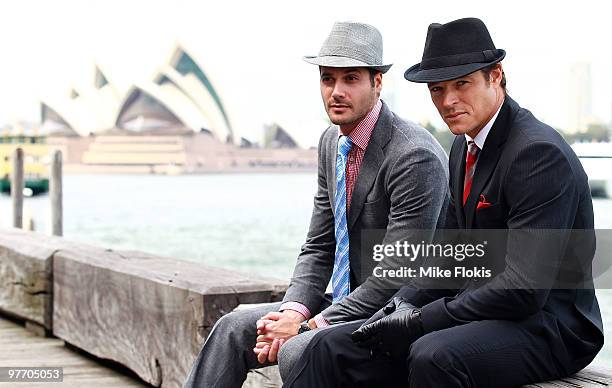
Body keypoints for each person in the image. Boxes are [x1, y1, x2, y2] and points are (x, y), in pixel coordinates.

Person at [283, 17, 604, 388]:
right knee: (329, 346)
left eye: (462, 84)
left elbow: (523, 288)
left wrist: (422, 319)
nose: (448, 101)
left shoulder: (537, 153)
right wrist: (397, 306)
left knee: (432, 353)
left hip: (552, 326)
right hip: (483, 312)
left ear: (495, 75)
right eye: (437, 89)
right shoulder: (461, 147)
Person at [183, 21, 449, 387]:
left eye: (350, 79)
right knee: (232, 327)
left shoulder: (414, 156)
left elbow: (396, 271)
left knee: (300, 347)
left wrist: (307, 325)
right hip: (345, 300)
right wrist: (291, 311)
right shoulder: (330, 142)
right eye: (328, 79)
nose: (336, 91)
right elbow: (320, 244)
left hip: (397, 312)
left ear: (377, 82)